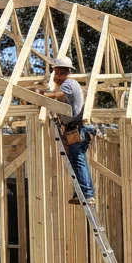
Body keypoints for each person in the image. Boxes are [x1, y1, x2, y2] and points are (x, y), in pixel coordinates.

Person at [41, 56, 95, 204]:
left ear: (61, 72)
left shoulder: (69, 83)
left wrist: (42, 96)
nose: (55, 77)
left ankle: (87, 195)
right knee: (77, 161)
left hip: (77, 129)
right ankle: (82, 193)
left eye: (57, 73)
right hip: (75, 129)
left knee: (78, 161)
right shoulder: (67, 85)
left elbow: (58, 95)